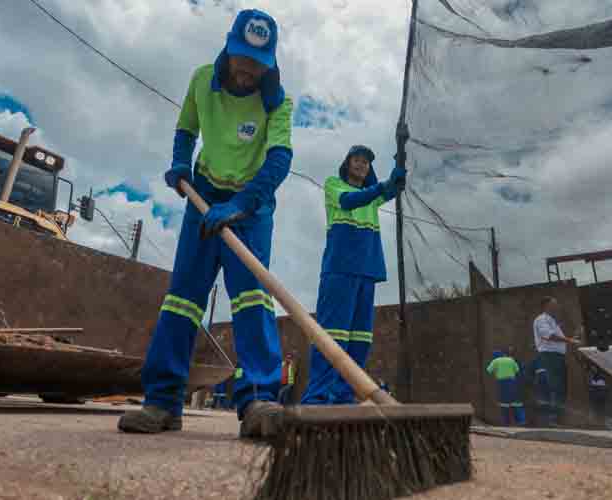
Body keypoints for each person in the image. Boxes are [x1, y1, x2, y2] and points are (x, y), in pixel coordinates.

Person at [118, 9, 294, 439]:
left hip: (251, 207)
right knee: (183, 300)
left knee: (252, 300)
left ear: (269, 62)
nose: (248, 70)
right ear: (229, 48)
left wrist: (243, 203)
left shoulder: (279, 101)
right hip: (203, 197)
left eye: (258, 62)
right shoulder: (201, 80)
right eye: (241, 58)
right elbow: (186, 129)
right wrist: (180, 163)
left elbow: (279, 158)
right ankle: (162, 402)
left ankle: (257, 401)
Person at [301, 145, 405, 404]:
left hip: (367, 271)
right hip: (340, 269)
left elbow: (391, 190)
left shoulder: (372, 195)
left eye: (366, 162)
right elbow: (350, 201)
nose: (361, 165)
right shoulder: (335, 185)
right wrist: (384, 186)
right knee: (332, 334)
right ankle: (317, 396)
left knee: (360, 338)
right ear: (347, 163)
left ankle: (343, 394)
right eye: (356, 160)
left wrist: (400, 169)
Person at [532, 296, 579, 426]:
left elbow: (556, 337)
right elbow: (548, 336)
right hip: (550, 356)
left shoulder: (552, 320)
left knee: (561, 387)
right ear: (546, 305)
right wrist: (569, 340)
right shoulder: (541, 319)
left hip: (556, 356)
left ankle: (557, 419)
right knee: (556, 386)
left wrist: (570, 339)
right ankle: (552, 419)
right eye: (554, 304)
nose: (557, 306)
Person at [486, 350, 525, 426]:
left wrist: (497, 371)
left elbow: (488, 371)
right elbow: (517, 371)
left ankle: (506, 422)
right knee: (516, 402)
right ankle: (521, 420)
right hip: (513, 382)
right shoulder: (511, 360)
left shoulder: (495, 361)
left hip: (502, 383)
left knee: (504, 403)